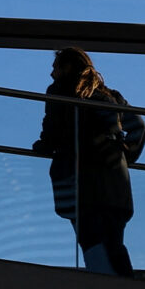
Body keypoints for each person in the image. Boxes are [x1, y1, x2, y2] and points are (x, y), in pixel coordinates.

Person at [32, 47, 134, 277]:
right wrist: (124, 156)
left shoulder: (61, 91)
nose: (51, 74)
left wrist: (44, 146)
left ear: (67, 68)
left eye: (55, 68)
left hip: (80, 179)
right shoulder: (111, 96)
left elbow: (51, 132)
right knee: (113, 242)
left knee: (91, 239)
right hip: (115, 181)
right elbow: (137, 128)